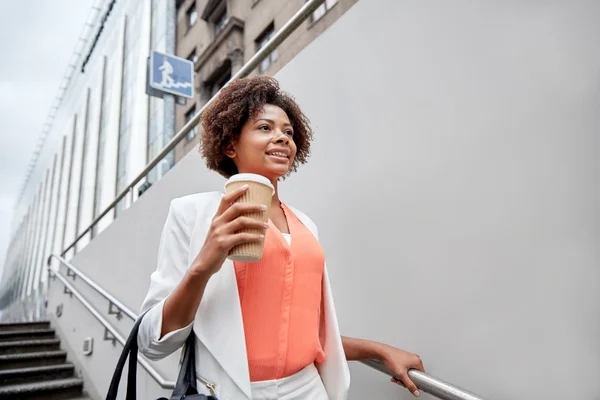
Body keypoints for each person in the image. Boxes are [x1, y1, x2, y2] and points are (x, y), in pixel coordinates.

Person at [138, 76, 424, 400]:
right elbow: (151, 341)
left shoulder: (307, 227)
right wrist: (203, 266)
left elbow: (311, 336)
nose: (282, 138)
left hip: (309, 390)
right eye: (265, 128)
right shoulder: (192, 215)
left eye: (288, 132)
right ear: (230, 145)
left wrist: (380, 351)